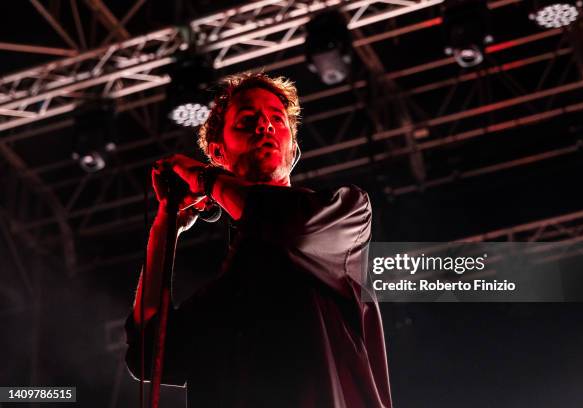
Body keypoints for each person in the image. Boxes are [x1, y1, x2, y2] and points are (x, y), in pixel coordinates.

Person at [124, 72, 393, 407]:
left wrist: (205, 178)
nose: (265, 126)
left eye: (277, 119)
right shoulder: (226, 293)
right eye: (247, 120)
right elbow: (149, 353)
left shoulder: (344, 212)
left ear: (293, 150)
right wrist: (166, 225)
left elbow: (292, 227)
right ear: (217, 151)